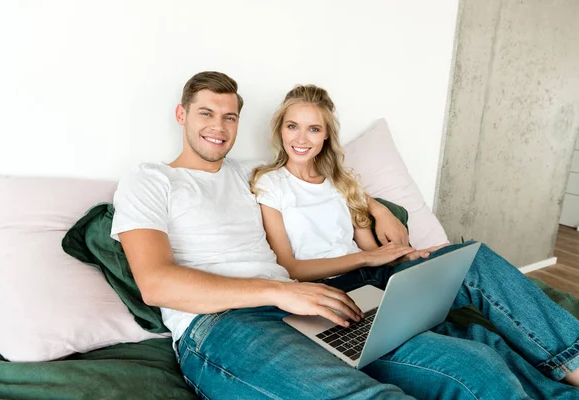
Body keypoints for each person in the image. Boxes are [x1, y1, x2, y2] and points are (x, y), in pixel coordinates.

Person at [110, 71, 579, 399]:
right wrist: (282, 290)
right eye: (205, 113)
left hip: (306, 303)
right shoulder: (150, 179)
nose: (218, 127)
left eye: (229, 117)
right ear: (181, 114)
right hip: (223, 324)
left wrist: (372, 206)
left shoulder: (252, 173)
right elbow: (156, 283)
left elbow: (323, 173)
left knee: (477, 367)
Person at [249, 84, 579, 399]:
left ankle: (573, 364)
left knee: (473, 259)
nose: (301, 138)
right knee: (480, 349)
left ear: (326, 136)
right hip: (332, 292)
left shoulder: (341, 182)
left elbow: (370, 248)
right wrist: (369, 259)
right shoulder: (271, 184)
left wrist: (405, 257)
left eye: (313, 129)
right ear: (280, 129)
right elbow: (291, 267)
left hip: (376, 279)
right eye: (292, 126)